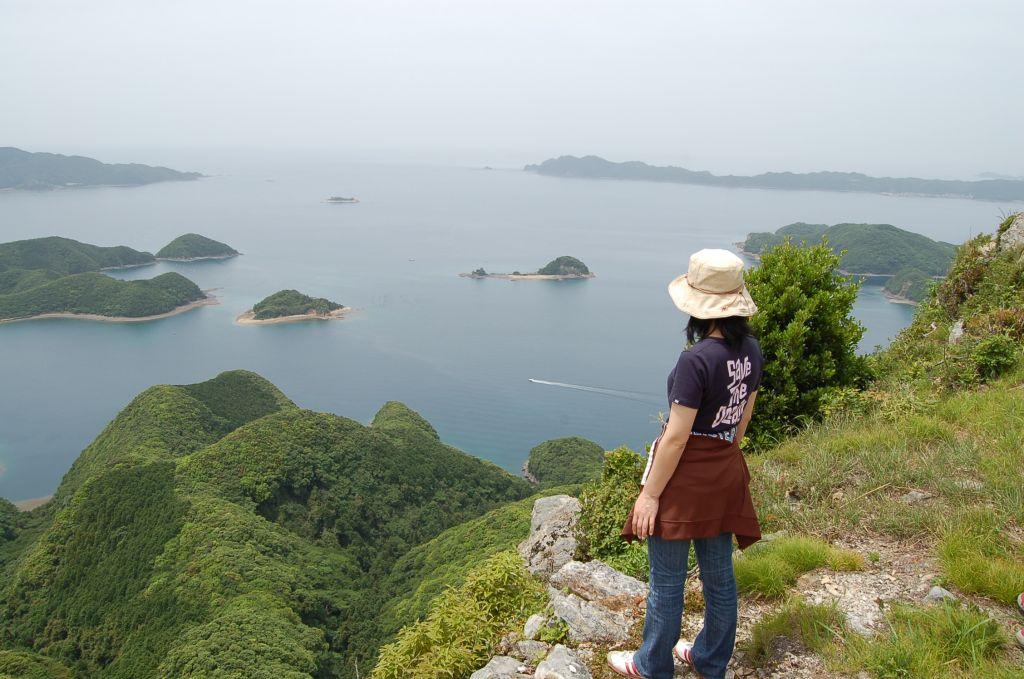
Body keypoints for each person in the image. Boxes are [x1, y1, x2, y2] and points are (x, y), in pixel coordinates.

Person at [607, 249, 763, 679]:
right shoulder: (751, 350)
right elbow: (743, 415)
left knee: (667, 581)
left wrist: (650, 495)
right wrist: (722, 454)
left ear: (697, 308)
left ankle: (651, 666)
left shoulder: (695, 360)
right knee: (719, 577)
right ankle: (710, 660)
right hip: (725, 468)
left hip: (685, 478)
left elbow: (676, 437)